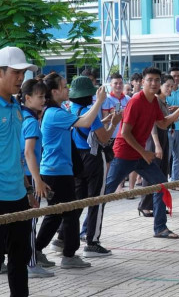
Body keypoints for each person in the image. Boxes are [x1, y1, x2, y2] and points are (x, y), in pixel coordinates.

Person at [103, 67, 179, 238]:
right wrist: (144, 152)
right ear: (142, 82)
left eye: (157, 80)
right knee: (105, 193)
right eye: (150, 80)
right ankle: (83, 230)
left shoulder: (155, 102)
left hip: (140, 155)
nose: (154, 83)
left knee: (161, 185)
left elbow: (163, 123)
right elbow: (125, 133)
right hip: (124, 154)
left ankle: (160, 228)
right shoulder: (136, 101)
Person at [36, 72, 107, 269]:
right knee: (67, 213)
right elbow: (84, 122)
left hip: (59, 169)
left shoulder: (56, 111)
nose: (68, 90)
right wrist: (99, 101)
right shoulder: (55, 113)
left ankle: (38, 249)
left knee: (58, 213)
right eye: (65, 86)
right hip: (56, 171)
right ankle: (67, 255)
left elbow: (83, 118)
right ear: (55, 91)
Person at [68, 76, 122, 257]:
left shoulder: (71, 109)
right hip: (93, 158)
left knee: (78, 200)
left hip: (76, 158)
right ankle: (92, 241)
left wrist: (104, 120)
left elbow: (86, 127)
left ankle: (63, 237)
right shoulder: (92, 111)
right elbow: (104, 139)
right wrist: (113, 123)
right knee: (96, 200)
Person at [0, 46, 38, 297]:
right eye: (15, 72)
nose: (20, 79)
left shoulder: (16, 107)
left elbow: (16, 155)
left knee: (19, 259)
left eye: (23, 73)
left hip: (18, 197)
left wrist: (27, 189)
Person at [18, 79, 55, 278]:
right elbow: (29, 153)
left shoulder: (20, 115)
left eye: (44, 96)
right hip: (28, 176)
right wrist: (37, 180)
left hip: (19, 174)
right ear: (28, 98)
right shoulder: (31, 121)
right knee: (31, 222)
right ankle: (31, 264)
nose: (43, 100)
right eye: (39, 97)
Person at [138, 74, 174, 217]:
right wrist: (157, 144)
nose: (170, 88)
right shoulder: (156, 101)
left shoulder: (164, 102)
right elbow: (153, 124)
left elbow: (166, 122)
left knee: (162, 172)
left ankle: (158, 204)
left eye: (172, 86)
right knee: (151, 172)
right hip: (154, 139)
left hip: (164, 136)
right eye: (167, 86)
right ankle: (145, 205)